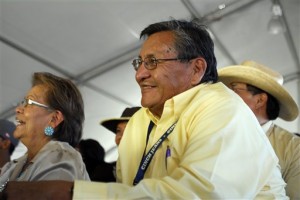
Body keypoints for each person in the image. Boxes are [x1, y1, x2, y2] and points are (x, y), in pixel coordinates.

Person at [0, 19, 288, 199]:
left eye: (153, 62)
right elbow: (132, 189)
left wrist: (72, 193)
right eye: (139, 63)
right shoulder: (140, 123)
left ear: (196, 68)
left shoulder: (221, 108)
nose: (139, 75)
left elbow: (202, 195)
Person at [218, 60, 300, 199]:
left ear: (260, 100)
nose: (228, 95)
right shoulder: (215, 132)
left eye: (235, 89)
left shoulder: (293, 148)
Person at [0, 72, 89, 191]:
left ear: (54, 119)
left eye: (29, 103)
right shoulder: (15, 165)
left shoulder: (60, 159)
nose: (18, 109)